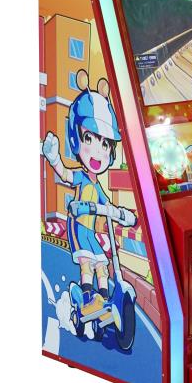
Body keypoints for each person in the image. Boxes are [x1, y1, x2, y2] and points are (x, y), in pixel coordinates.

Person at [41, 72, 135, 317]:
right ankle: (85, 299)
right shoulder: (83, 177)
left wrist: (122, 214)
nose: (98, 151)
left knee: (102, 265)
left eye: (105, 144)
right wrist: (54, 158)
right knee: (87, 263)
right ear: (76, 139)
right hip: (79, 227)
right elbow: (66, 175)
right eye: (89, 138)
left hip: (91, 231)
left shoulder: (96, 183)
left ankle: (102, 300)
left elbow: (107, 203)